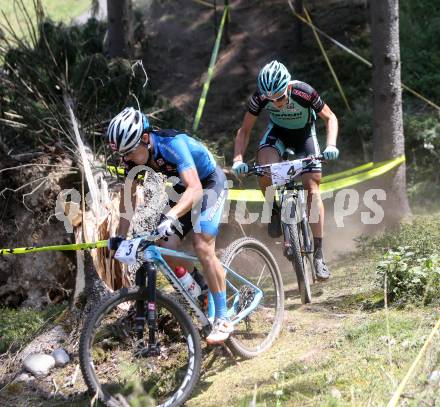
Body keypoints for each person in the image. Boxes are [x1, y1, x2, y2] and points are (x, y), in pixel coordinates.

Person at [107, 107, 231, 345]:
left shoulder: (171, 144)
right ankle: (203, 287)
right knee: (165, 244)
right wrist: (120, 236)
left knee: (202, 244)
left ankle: (223, 318)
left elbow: (195, 188)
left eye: (130, 152)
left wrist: (172, 215)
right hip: (184, 189)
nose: (126, 159)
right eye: (123, 155)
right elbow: (129, 200)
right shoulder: (133, 156)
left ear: (145, 138)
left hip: (208, 183)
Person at [232, 60, 339, 280]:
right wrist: (237, 158)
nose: (276, 103)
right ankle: (273, 209)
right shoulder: (260, 97)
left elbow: (330, 117)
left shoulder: (303, 91)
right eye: (271, 99)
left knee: (313, 189)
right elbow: (244, 130)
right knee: (263, 167)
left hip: (305, 136)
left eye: (279, 97)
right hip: (278, 134)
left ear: (288, 87)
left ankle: (319, 255)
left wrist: (331, 145)